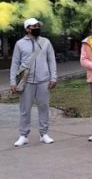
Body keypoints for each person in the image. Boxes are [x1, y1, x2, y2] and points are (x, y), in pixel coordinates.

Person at [10, 18, 57, 147]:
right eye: (33, 26)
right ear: (27, 29)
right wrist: (13, 82)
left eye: (37, 26)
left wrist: (53, 78)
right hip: (26, 82)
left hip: (43, 80)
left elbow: (51, 61)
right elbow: (15, 63)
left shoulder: (46, 42)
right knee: (25, 109)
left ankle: (44, 134)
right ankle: (23, 135)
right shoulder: (20, 44)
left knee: (44, 107)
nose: (36, 28)